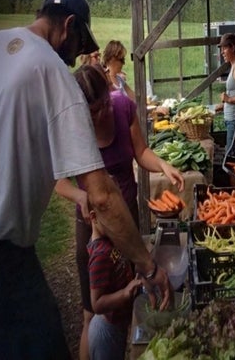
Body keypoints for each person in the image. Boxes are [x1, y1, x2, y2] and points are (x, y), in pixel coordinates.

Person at [0, 0, 173, 360]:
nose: (80, 55)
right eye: (81, 43)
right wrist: (148, 267)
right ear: (68, 27)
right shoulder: (53, 71)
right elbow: (101, 195)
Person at [55, 64, 184, 360]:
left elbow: (141, 152)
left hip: (126, 222)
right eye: (93, 110)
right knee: (93, 309)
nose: (101, 113)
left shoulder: (123, 106)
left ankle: (129, 347)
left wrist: (163, 165)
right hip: (94, 228)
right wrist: (81, 195)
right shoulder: (72, 126)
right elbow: (60, 183)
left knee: (130, 295)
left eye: (103, 104)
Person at [86, 204, 143, 360]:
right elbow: (97, 304)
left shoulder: (110, 240)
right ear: (93, 217)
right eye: (109, 216)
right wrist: (125, 293)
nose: (115, 221)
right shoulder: (100, 256)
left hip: (118, 323)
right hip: (106, 330)